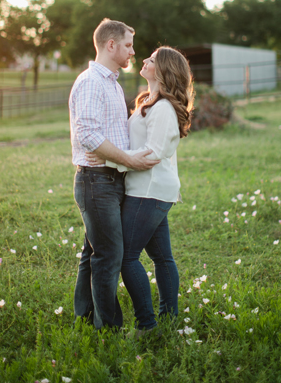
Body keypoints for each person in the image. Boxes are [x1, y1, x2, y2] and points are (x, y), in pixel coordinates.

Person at [87, 46, 194, 336]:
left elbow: (152, 155)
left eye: (151, 59)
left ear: (163, 70)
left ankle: (147, 325)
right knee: (162, 257)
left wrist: (109, 159)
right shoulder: (150, 100)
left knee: (126, 257)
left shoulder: (162, 109)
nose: (144, 60)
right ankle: (168, 318)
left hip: (149, 190)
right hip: (150, 189)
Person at [68, 18, 159, 331]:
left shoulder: (112, 83)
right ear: (111, 45)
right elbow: (89, 136)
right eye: (128, 45)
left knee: (94, 251)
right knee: (109, 255)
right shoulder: (91, 82)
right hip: (97, 180)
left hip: (109, 180)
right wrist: (129, 161)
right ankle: (109, 330)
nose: (133, 52)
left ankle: (85, 317)